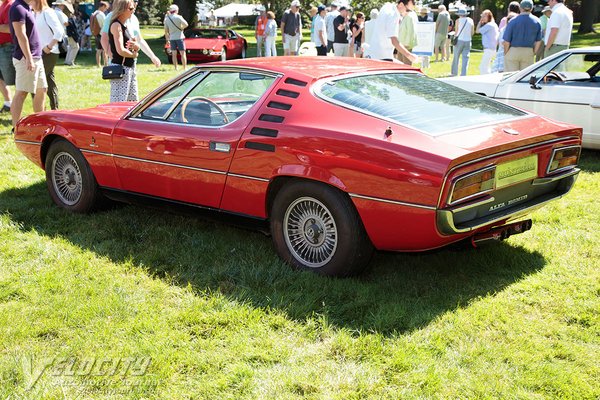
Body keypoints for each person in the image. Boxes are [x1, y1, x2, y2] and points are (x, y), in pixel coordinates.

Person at [9, 0, 47, 127]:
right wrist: (29, 58)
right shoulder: (18, 7)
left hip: (36, 56)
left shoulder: (27, 7)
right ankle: (16, 128)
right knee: (22, 92)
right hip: (26, 57)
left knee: (42, 89)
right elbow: (21, 35)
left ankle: (40, 124)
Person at [100, 1, 161, 69]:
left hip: (130, 62)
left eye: (136, 1)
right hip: (118, 63)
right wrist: (113, 57)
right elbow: (104, 39)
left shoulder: (134, 18)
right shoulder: (111, 17)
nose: (135, 3)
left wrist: (152, 56)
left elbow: (139, 40)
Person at [32, 0, 62, 109]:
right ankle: (54, 109)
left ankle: (41, 111)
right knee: (48, 80)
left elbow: (59, 31)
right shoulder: (34, 13)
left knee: (37, 82)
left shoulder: (48, 12)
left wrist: (49, 46)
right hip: (38, 53)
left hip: (49, 53)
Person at [108, 0, 139, 102]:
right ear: (121, 9)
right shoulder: (116, 26)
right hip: (121, 68)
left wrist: (136, 47)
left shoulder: (126, 25)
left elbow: (132, 46)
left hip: (129, 67)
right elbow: (120, 50)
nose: (133, 10)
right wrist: (134, 55)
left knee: (132, 102)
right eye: (130, 8)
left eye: (133, 8)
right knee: (119, 103)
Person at [503, 0, 541, 72]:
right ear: (531, 8)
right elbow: (538, 41)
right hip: (528, 51)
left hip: (513, 50)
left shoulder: (513, 21)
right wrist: (534, 52)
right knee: (525, 77)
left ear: (520, 8)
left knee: (510, 76)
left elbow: (506, 41)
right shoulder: (537, 21)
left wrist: (506, 53)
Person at [0, 0, 15, 113]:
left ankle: (15, 106)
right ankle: (8, 103)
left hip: (8, 48)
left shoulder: (10, 5)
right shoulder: (3, 5)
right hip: (2, 48)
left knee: (15, 80)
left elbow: (10, 28)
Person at [450, 8, 474, 77]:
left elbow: (457, 31)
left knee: (456, 57)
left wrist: (454, 36)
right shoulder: (470, 20)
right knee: (465, 58)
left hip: (460, 40)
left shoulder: (458, 21)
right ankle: (463, 74)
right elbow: (472, 32)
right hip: (468, 40)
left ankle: (454, 73)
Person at [164, 4, 187, 70]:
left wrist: (167, 39)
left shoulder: (167, 19)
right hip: (180, 37)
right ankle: (184, 67)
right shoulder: (179, 17)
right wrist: (181, 28)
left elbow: (166, 31)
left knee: (174, 54)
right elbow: (186, 24)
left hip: (172, 38)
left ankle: (175, 67)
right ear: (176, 10)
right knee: (182, 53)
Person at [476, 9, 498, 74]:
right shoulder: (493, 24)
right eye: (482, 16)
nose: (482, 18)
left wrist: (480, 22)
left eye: (484, 16)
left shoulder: (489, 25)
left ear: (489, 17)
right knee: (487, 67)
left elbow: (477, 31)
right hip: (491, 49)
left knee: (483, 67)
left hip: (489, 49)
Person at [396, 0, 417, 65]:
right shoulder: (404, 17)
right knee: (400, 65)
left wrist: (407, 44)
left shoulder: (409, 17)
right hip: (401, 44)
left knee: (407, 65)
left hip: (406, 45)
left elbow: (411, 32)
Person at [90, 1, 108, 67]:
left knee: (98, 50)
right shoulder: (101, 14)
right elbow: (105, 24)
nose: (105, 9)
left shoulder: (94, 13)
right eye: (105, 8)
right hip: (102, 34)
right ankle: (106, 64)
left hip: (96, 33)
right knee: (105, 50)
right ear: (103, 6)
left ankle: (98, 64)